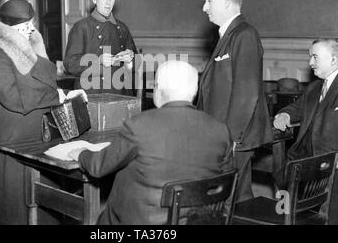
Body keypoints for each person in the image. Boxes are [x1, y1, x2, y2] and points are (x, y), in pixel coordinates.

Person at [68, 60, 232, 224]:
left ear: (158, 90)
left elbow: (98, 167)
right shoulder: (221, 130)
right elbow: (226, 185)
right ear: (195, 91)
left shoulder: (139, 126)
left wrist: (81, 154)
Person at [0, 0, 86, 225]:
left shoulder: (33, 47)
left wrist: (65, 94)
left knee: (46, 198)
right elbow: (13, 99)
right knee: (17, 202)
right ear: (9, 29)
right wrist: (56, 96)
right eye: (25, 26)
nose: (31, 29)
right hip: (14, 139)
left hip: (41, 134)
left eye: (32, 23)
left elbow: (46, 86)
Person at [196, 0, 273, 202]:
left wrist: (231, 139)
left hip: (233, 137)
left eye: (209, 1)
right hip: (223, 134)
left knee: (227, 199)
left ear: (228, 4)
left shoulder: (244, 34)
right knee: (238, 196)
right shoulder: (229, 34)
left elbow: (246, 93)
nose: (204, 7)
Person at [273, 39, 338, 224]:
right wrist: (284, 115)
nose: (310, 63)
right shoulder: (315, 87)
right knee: (285, 200)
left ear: (333, 60)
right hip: (303, 161)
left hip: (329, 165)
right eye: (310, 57)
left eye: (315, 57)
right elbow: (296, 108)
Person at [63, 0, 138, 95]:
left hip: (120, 92)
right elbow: (70, 64)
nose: (108, 3)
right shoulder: (82, 27)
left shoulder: (122, 28)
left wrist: (129, 61)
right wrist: (97, 61)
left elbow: (137, 62)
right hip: (92, 92)